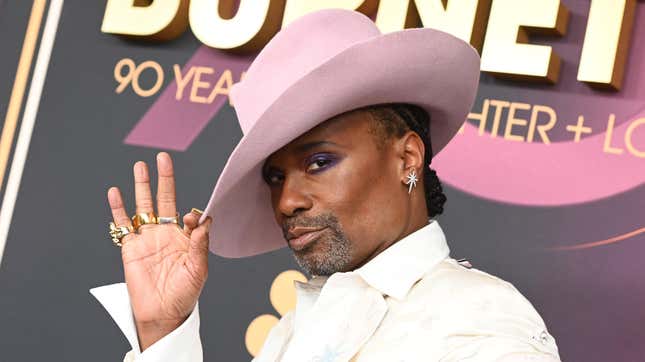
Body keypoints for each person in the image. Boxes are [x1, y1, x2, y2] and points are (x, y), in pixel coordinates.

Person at [91, 9, 561, 362]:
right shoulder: (291, 333)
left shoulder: (480, 321)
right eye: (275, 177)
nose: (287, 201)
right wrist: (163, 332)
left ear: (407, 157)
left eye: (319, 161)